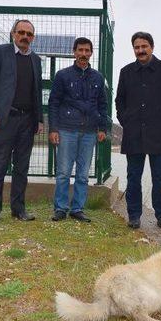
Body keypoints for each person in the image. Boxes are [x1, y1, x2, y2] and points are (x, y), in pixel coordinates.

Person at [115, 32, 161, 229]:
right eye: (137, 47)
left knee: (160, 178)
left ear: (152, 47)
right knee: (133, 177)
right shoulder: (126, 72)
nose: (140, 50)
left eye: (144, 46)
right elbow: (119, 100)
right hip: (133, 132)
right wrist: (125, 120)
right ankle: (134, 216)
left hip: (159, 133)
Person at [0, 19, 44, 223]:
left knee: (21, 168)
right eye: (21, 32)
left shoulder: (36, 60)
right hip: (5, 119)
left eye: (29, 34)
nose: (25, 37)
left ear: (33, 38)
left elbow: (37, 91)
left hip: (27, 120)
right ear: (13, 33)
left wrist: (39, 119)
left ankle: (18, 209)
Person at [48, 37, 108, 222]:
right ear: (74, 52)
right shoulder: (62, 75)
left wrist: (102, 128)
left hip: (89, 132)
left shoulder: (98, 77)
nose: (83, 54)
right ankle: (60, 208)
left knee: (83, 174)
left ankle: (77, 209)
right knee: (64, 172)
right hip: (66, 130)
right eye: (80, 50)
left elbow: (102, 104)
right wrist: (54, 129)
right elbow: (54, 103)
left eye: (87, 51)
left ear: (91, 53)